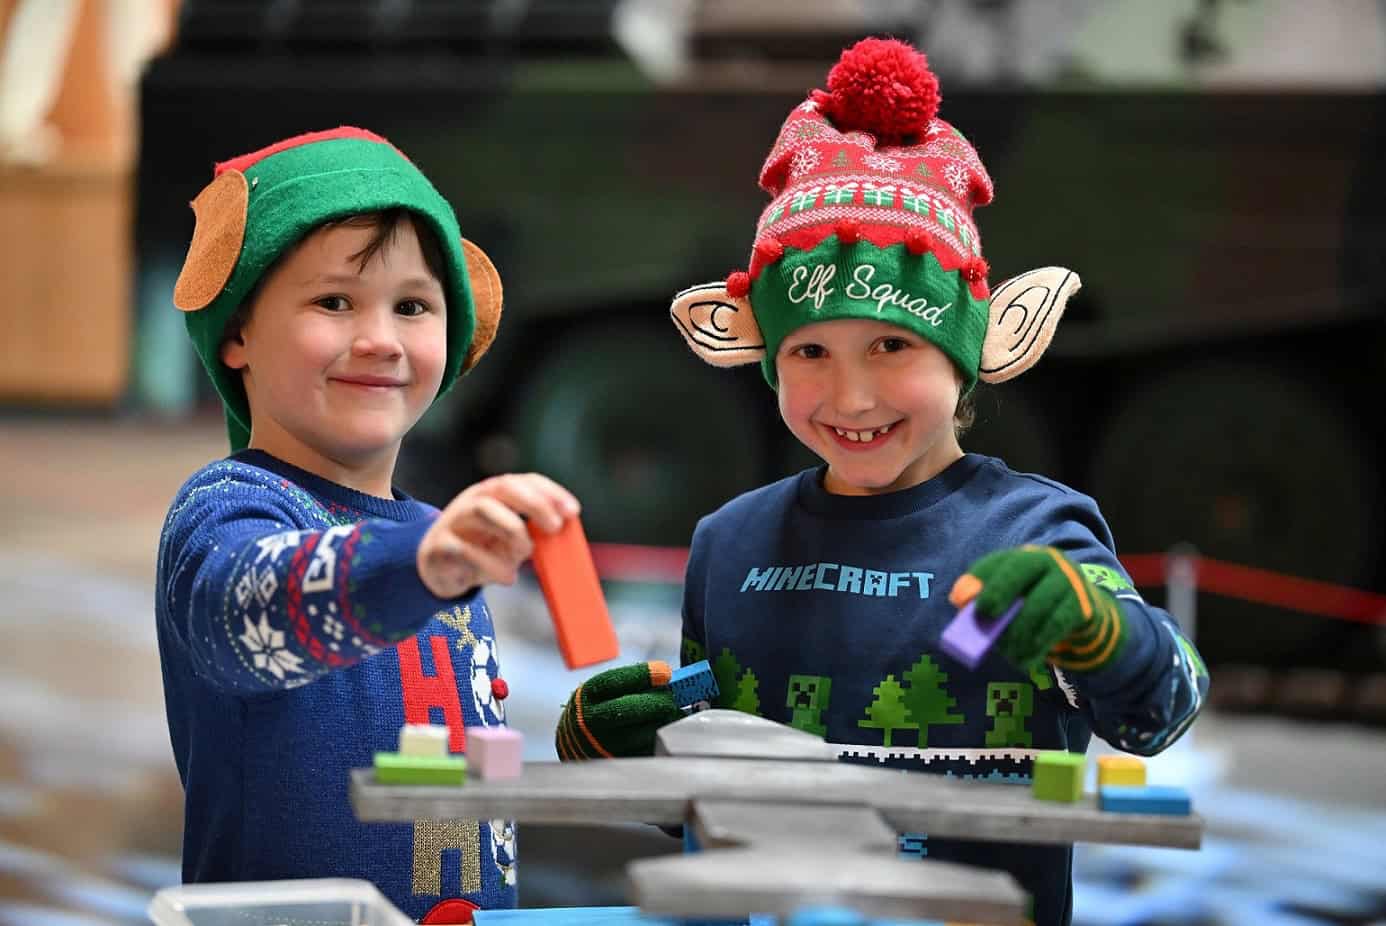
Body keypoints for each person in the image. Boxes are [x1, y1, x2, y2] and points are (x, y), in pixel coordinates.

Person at [554, 39, 1209, 926]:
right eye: (810, 352)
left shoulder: (1033, 529)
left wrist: (1101, 633)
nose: (850, 395)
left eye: (892, 346)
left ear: (969, 352)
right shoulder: (731, 544)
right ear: (763, 357)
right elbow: (721, 797)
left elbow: (1160, 712)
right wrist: (630, 760)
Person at [156, 127, 579, 923]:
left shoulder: (436, 540)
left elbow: (463, 782)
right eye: (335, 301)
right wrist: (419, 562)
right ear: (239, 332)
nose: (380, 339)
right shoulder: (229, 509)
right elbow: (244, 613)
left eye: (413, 305)